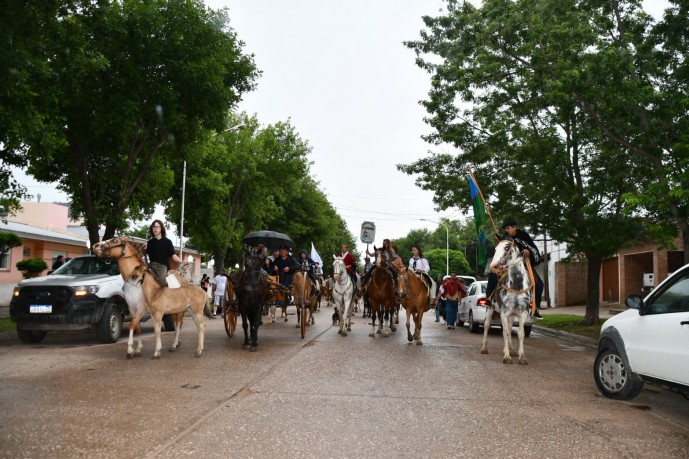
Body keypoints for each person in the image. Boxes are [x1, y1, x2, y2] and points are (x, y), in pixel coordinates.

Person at [486, 218, 545, 318]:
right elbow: (501, 250)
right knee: (492, 274)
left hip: (522, 263)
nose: (506, 230)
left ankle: (535, 308)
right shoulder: (506, 237)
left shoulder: (523, 235)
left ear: (515, 227)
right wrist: (498, 242)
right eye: (505, 229)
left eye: (508, 228)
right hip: (507, 264)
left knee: (539, 283)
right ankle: (489, 298)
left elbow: (533, 248)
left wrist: (528, 252)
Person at [145, 219, 184, 287]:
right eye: (154, 227)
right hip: (151, 266)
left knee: (162, 281)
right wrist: (143, 248)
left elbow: (174, 256)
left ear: (161, 228)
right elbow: (141, 255)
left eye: (157, 227)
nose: (155, 228)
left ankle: (168, 293)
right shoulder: (149, 243)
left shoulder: (167, 242)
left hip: (162, 266)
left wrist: (181, 261)